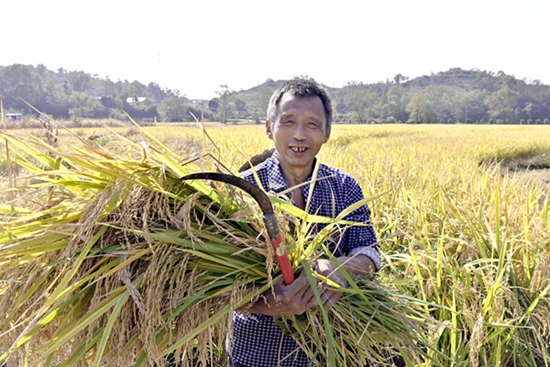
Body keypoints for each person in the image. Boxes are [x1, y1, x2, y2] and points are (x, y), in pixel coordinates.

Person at [228, 79, 381, 367]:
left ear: (327, 133)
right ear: (269, 127)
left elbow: (369, 253)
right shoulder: (242, 191)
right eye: (288, 122)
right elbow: (217, 288)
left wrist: (341, 269)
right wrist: (272, 303)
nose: (299, 134)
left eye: (312, 124)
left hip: (331, 353)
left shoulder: (345, 188)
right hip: (257, 356)